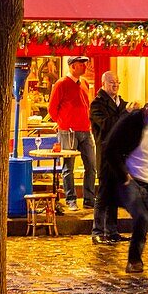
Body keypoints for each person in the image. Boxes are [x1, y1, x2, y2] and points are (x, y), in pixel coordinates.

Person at [105, 91, 148, 274]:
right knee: (141, 216)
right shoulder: (131, 121)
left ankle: (135, 257)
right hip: (130, 178)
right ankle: (134, 260)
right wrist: (125, 176)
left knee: (146, 220)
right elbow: (110, 148)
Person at [48, 56, 97, 211]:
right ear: (73, 66)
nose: (85, 67)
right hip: (68, 131)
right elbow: (52, 108)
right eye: (82, 65)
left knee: (91, 165)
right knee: (68, 167)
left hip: (85, 130)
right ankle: (71, 199)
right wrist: (62, 123)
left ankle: (89, 199)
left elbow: (86, 104)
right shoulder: (61, 84)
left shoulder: (84, 83)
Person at [90, 71, 130, 244]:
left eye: (118, 83)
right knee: (104, 193)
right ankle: (97, 231)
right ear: (104, 83)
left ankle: (112, 231)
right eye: (112, 82)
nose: (115, 85)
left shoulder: (121, 102)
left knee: (114, 193)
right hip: (106, 155)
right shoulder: (97, 104)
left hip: (119, 155)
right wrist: (125, 113)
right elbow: (107, 125)